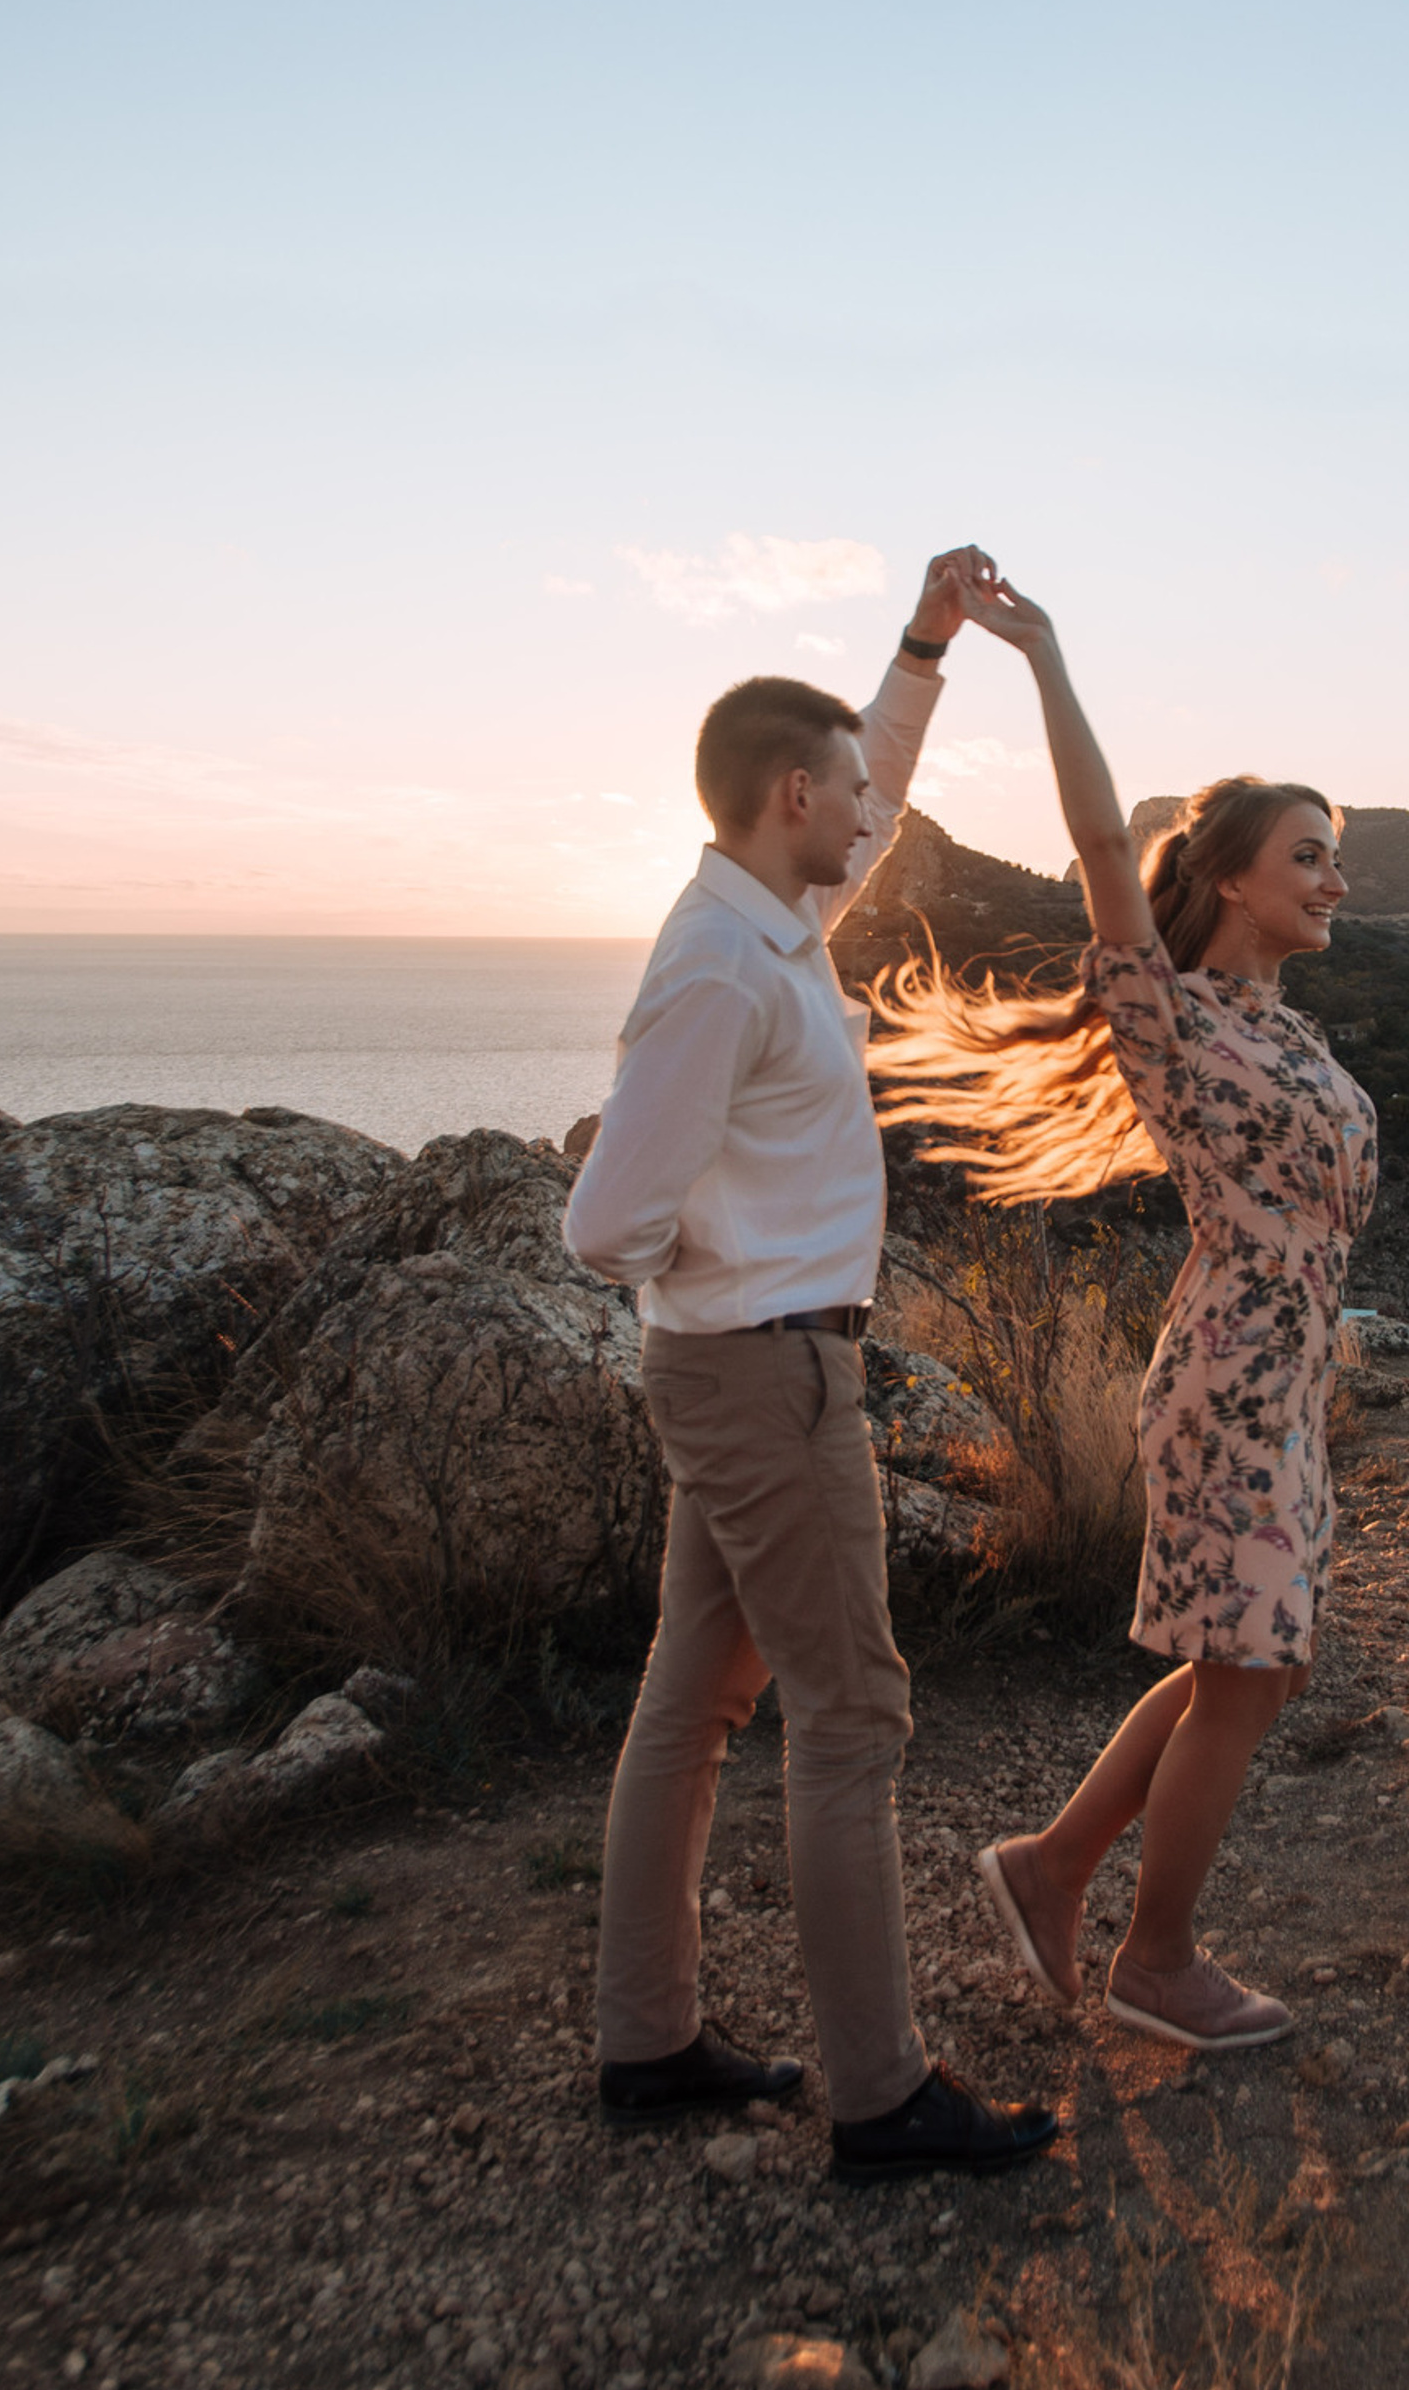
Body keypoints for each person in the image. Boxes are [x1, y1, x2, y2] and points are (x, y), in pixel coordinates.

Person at [562, 545, 1058, 2183]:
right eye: (844, 791)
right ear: (791, 798)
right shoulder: (721, 969)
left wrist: (923, 645)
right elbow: (604, 1222)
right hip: (767, 1378)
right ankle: (881, 2097)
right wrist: (712, 1271)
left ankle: (648, 2039)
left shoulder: (768, 917)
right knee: (851, 1716)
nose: (872, 813)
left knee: (695, 1695)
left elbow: (879, 774)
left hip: (743, 1367)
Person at [868, 572, 1377, 2049]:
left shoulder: (1289, 1031)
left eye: (1338, 858)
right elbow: (1101, 841)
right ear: (1231, 878)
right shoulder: (1172, 1016)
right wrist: (1043, 655)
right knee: (1248, 1673)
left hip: (1285, 1388)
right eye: (1308, 856)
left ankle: (1051, 1868)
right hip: (1229, 1382)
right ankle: (1156, 1964)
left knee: (1254, 1670)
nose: (1334, 881)